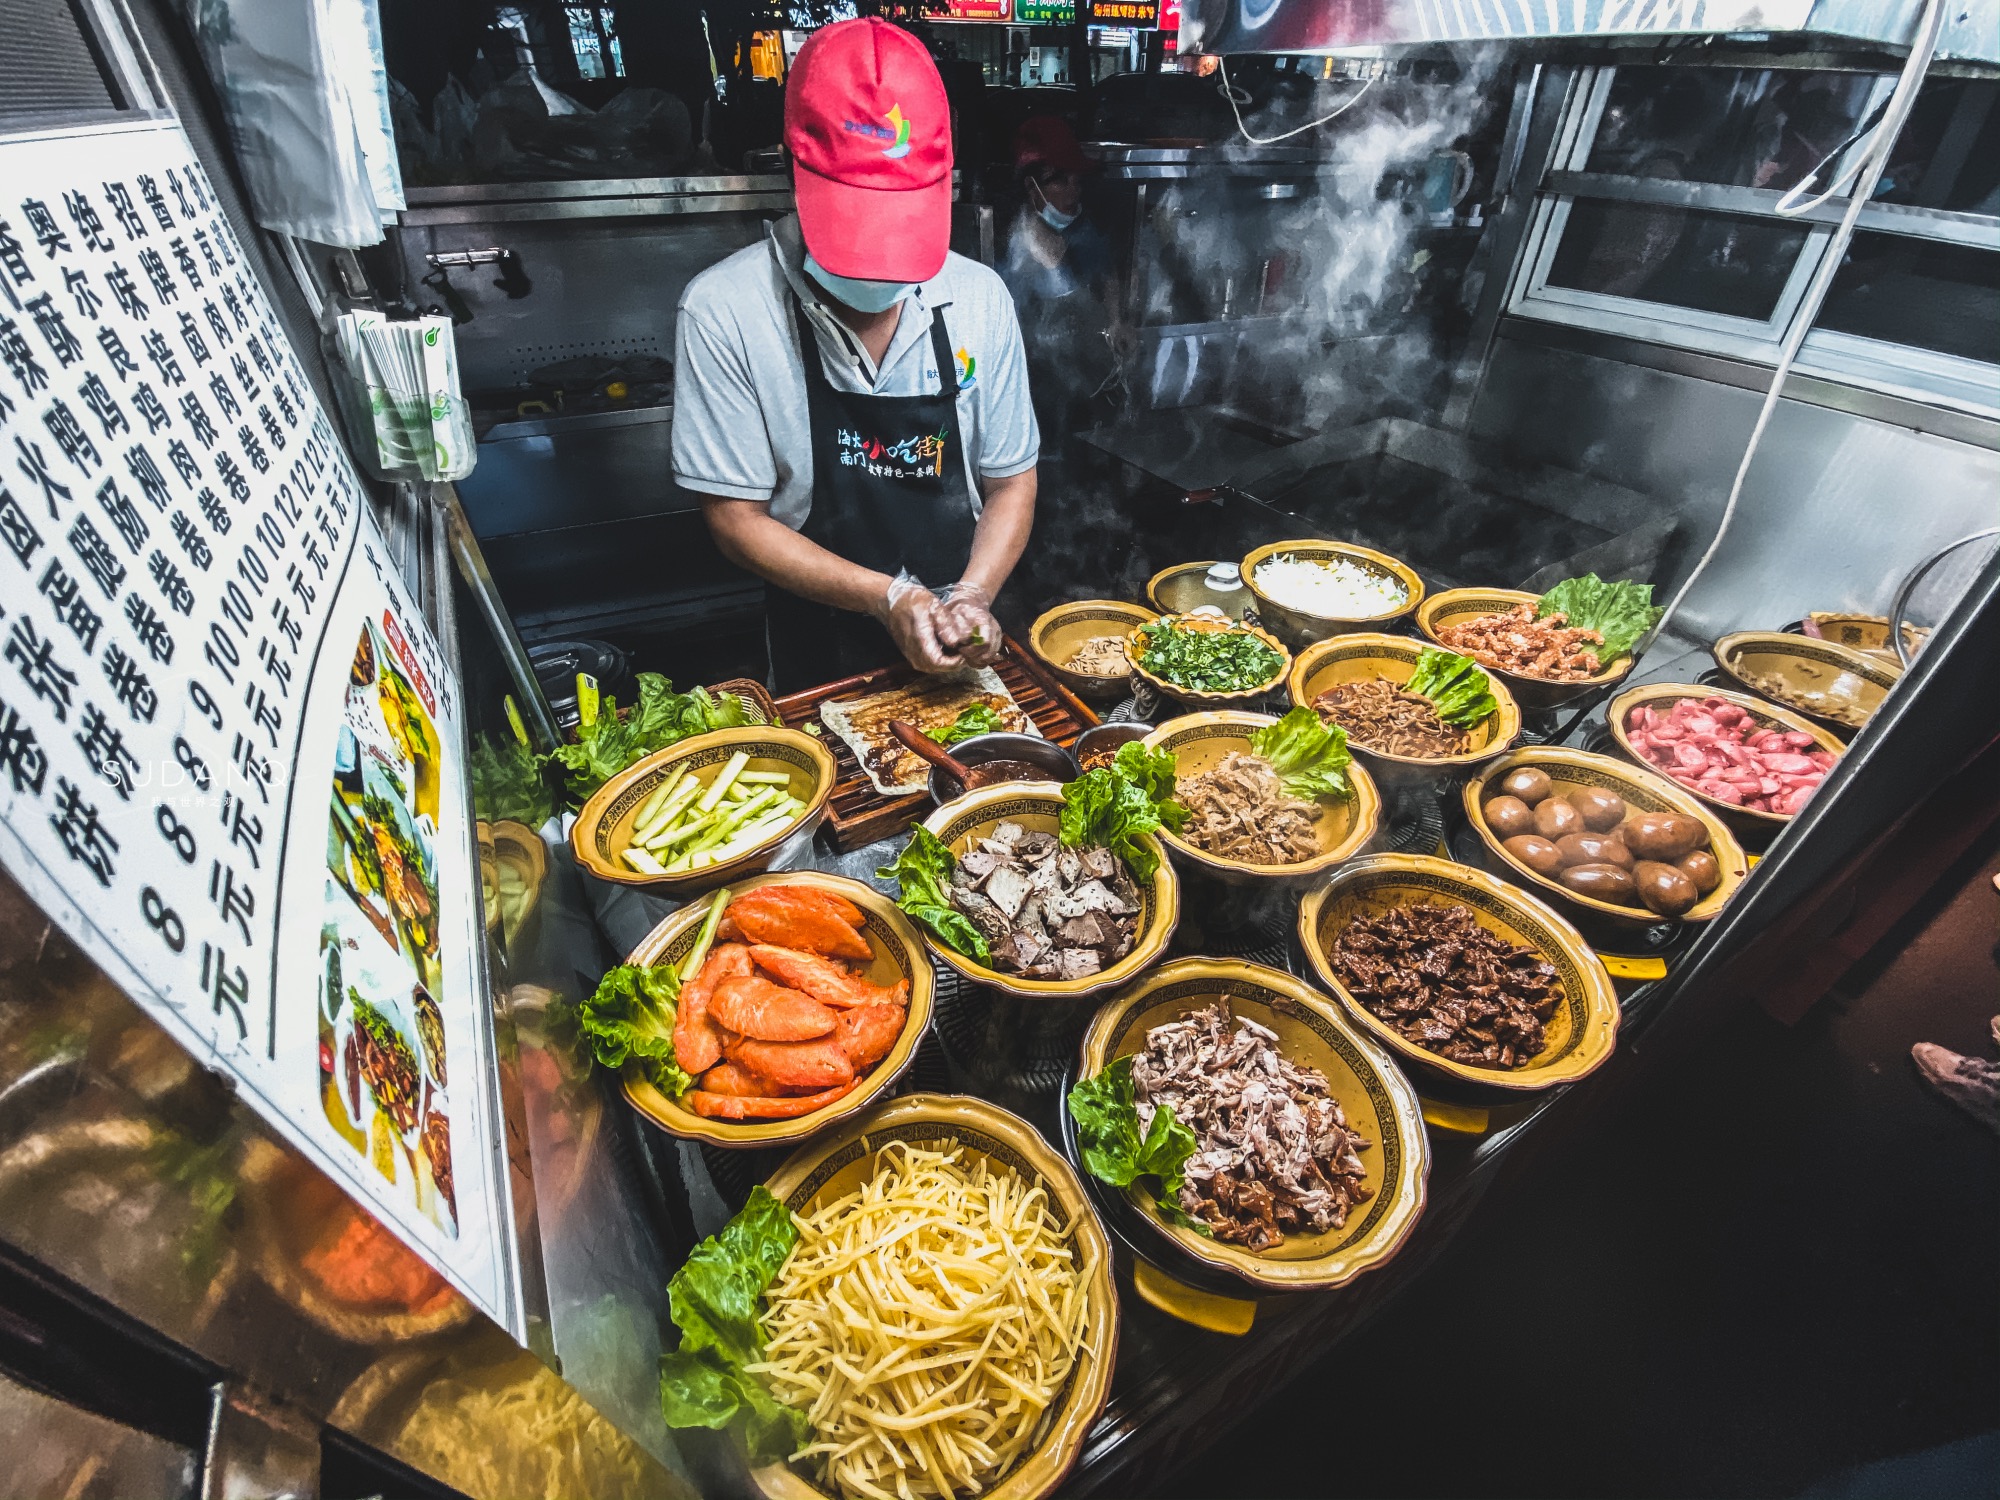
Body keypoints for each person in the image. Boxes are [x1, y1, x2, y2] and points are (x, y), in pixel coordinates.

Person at [671, 18, 1040, 693]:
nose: (877, 266)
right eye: (856, 224)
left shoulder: (979, 298)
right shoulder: (724, 309)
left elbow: (1011, 481)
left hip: (959, 640)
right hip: (817, 639)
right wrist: (887, 596)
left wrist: (973, 594)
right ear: (793, 170)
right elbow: (733, 518)